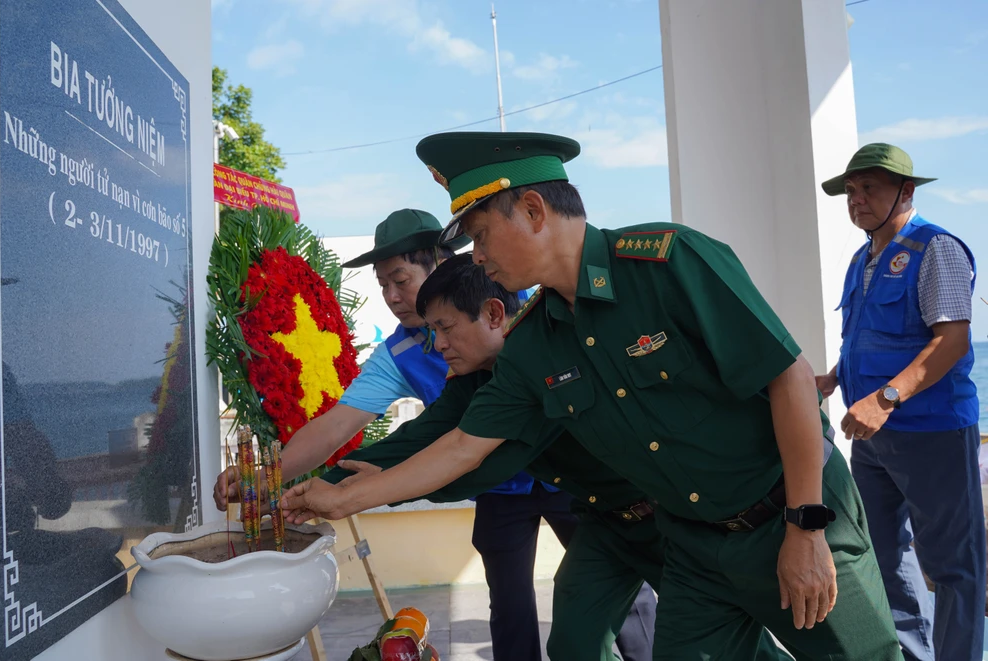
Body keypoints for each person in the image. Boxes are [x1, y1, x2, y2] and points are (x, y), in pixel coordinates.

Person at [282, 131, 903, 660]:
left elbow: (787, 378)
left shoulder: (670, 262)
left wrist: (806, 525)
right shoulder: (532, 345)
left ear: (530, 210)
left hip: (787, 514)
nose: (477, 256)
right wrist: (343, 497)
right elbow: (463, 446)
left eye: (478, 233)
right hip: (693, 545)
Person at [214, 209, 653, 661]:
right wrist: (279, 478)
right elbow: (386, 430)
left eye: (400, 280)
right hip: (499, 486)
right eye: (382, 284)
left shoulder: (523, 311)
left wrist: (352, 495)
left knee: (626, 603)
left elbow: (465, 451)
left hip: (590, 487)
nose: (390, 296)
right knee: (519, 608)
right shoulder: (407, 351)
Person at [321, 253, 779, 660]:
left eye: (445, 328)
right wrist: (325, 481)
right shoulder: (475, 379)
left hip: (665, 518)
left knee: (722, 648)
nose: (438, 345)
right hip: (604, 524)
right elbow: (424, 434)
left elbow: (477, 462)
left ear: (494, 314)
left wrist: (358, 495)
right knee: (574, 644)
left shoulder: (544, 358)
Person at [815, 143, 984, 661]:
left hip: (931, 432)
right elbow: (866, 338)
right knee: (882, 557)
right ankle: (914, 654)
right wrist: (830, 380)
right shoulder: (862, 259)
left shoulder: (937, 249)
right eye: (851, 190)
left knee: (954, 566)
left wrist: (885, 399)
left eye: (871, 188)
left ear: (906, 192)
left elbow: (951, 340)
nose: (858, 199)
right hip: (872, 438)